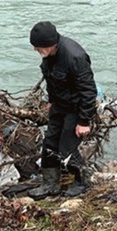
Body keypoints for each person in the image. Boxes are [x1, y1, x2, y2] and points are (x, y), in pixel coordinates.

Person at [28, 21, 97, 199]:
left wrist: (84, 121)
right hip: (59, 104)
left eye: (38, 46)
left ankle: (82, 181)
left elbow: (89, 91)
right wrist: (51, 101)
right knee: (50, 143)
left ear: (50, 43)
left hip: (76, 108)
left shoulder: (75, 57)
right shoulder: (49, 54)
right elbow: (52, 80)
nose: (35, 49)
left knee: (67, 147)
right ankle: (50, 184)